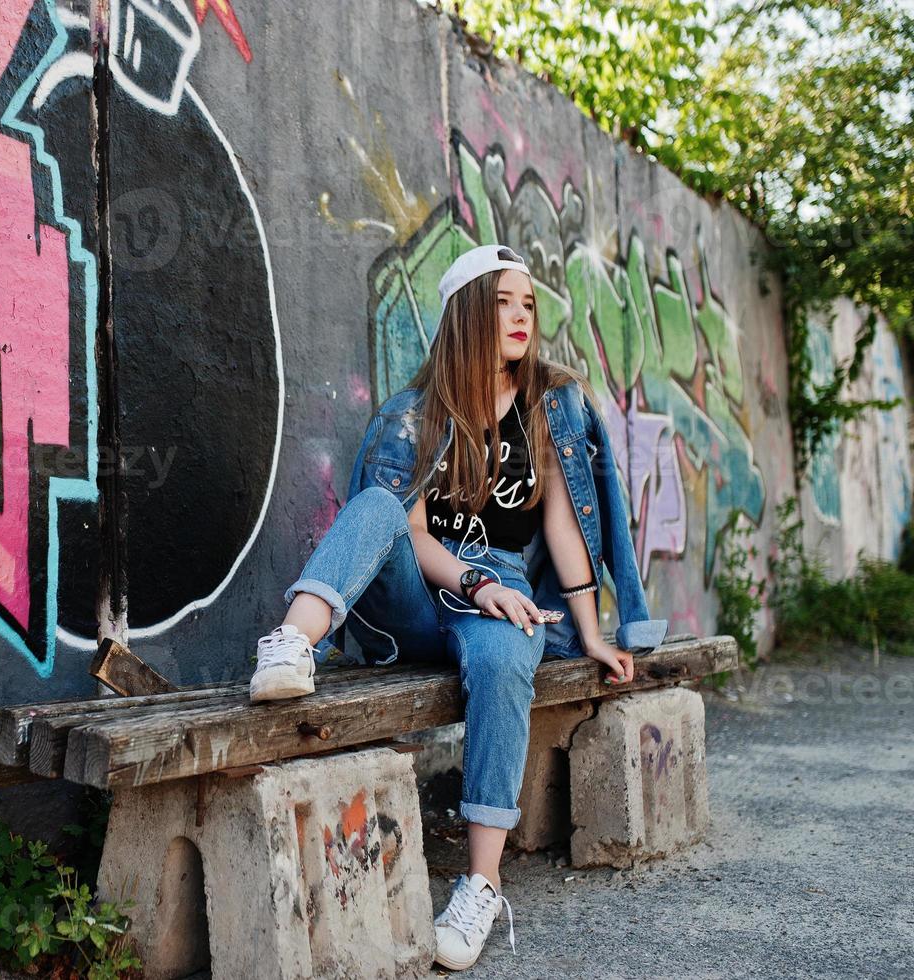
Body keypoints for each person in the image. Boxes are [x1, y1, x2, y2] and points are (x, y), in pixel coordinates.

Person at [246, 244, 667, 971]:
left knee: (506, 661)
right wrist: (473, 582)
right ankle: (290, 643)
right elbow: (405, 529)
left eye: (528, 303)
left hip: (501, 600)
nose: (520, 317)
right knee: (378, 503)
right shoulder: (412, 416)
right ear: (468, 312)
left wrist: (591, 631)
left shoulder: (551, 403)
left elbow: (568, 525)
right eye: (503, 301)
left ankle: (480, 885)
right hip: (419, 596)